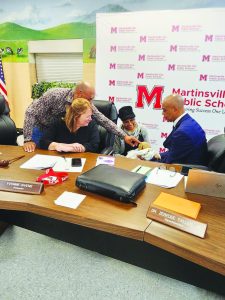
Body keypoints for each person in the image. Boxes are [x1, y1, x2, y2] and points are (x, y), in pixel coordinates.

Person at [23, 81, 139, 152]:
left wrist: (124, 136)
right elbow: (31, 112)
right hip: (40, 127)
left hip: (57, 134)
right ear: (79, 93)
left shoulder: (85, 104)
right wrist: (28, 139)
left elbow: (103, 120)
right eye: (89, 98)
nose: (91, 101)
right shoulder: (54, 95)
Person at [140, 94, 208, 165]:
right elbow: (173, 153)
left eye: (164, 110)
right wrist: (154, 156)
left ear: (175, 109)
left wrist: (146, 162)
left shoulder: (182, 133)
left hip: (188, 171)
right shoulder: (188, 122)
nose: (162, 113)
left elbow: (168, 163)